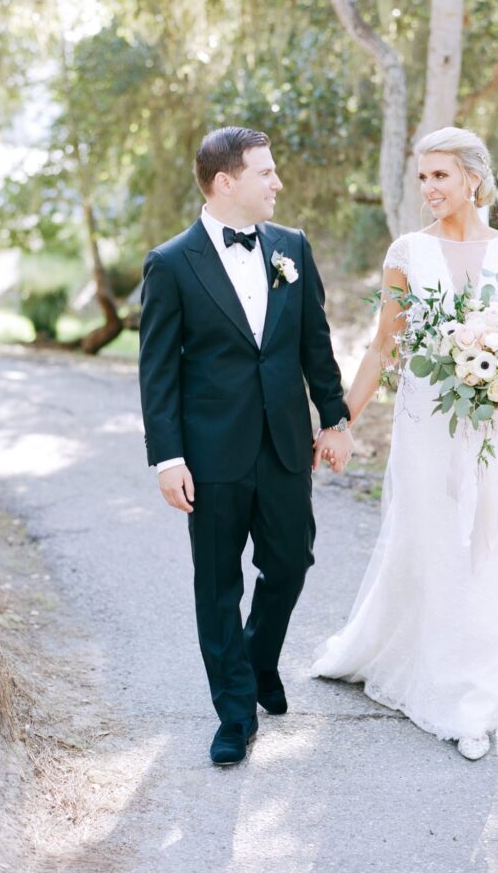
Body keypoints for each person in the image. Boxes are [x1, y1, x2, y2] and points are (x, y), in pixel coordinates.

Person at [312, 127, 498, 761]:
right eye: (422, 177)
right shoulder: (408, 251)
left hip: (492, 425)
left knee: (484, 546)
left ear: (474, 177)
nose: (429, 188)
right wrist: (341, 421)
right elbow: (383, 348)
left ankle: (474, 700)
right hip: (426, 424)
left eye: (441, 175)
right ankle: (424, 671)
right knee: (431, 539)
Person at [138, 126, 354, 766]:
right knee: (217, 584)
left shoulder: (292, 247)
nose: (277, 183)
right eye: (266, 172)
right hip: (210, 454)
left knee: (292, 561)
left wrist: (335, 417)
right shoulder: (172, 263)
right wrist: (168, 458)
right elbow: (158, 371)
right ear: (226, 182)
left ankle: (259, 660)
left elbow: (315, 341)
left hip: (286, 443)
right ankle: (235, 712)